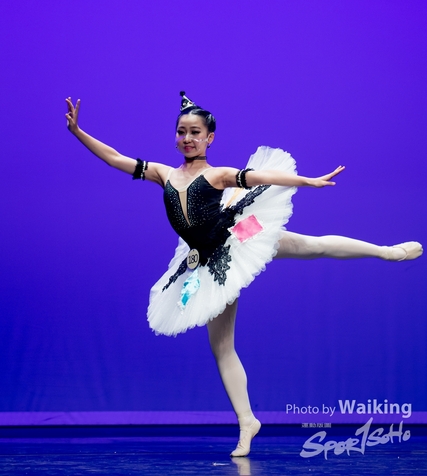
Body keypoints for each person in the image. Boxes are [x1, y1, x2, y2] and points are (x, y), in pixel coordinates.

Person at [65, 92, 422, 457]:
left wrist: (308, 181)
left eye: (195, 132)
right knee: (221, 347)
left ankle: (387, 251)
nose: (187, 138)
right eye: (181, 132)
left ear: (209, 138)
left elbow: (260, 176)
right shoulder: (163, 174)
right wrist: (79, 132)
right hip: (205, 262)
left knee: (310, 246)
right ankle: (247, 421)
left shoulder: (216, 174)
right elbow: (115, 158)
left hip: (239, 236)